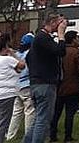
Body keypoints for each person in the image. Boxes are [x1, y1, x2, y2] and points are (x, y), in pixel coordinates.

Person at [23, 14, 67, 143]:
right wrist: (61, 35)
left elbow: (28, 58)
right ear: (53, 22)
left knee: (38, 118)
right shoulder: (43, 38)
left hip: (37, 83)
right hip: (45, 84)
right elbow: (61, 51)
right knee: (43, 120)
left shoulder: (38, 39)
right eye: (60, 23)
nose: (62, 25)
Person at [0, 36, 25, 143]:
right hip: (5, 95)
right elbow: (22, 65)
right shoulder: (8, 59)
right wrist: (13, 53)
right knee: (1, 125)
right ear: (5, 47)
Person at [50, 31, 79, 143]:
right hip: (72, 86)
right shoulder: (75, 52)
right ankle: (68, 136)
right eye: (77, 39)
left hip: (59, 86)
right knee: (70, 113)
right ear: (73, 40)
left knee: (56, 113)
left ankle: (53, 135)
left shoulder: (59, 51)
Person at [6, 34, 35, 142]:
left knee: (16, 112)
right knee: (29, 111)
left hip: (17, 85)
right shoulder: (31, 53)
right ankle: (29, 136)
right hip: (27, 85)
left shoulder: (17, 54)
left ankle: (10, 135)